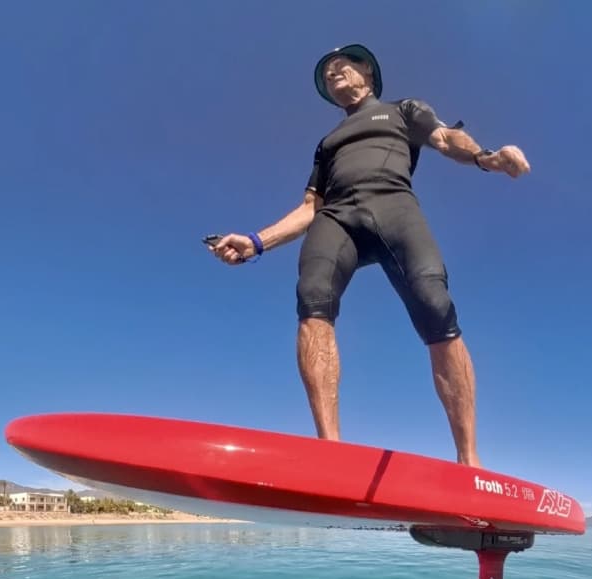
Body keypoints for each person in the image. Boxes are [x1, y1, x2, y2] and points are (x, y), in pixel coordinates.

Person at [207, 43, 530, 468]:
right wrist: (256, 241)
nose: (332, 72)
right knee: (312, 299)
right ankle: (331, 451)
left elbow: (445, 137)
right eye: (327, 72)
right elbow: (310, 207)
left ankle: (469, 461)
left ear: (369, 75)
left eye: (343, 65)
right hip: (336, 219)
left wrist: (486, 158)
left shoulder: (402, 110)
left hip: (394, 207)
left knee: (436, 305)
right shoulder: (327, 143)